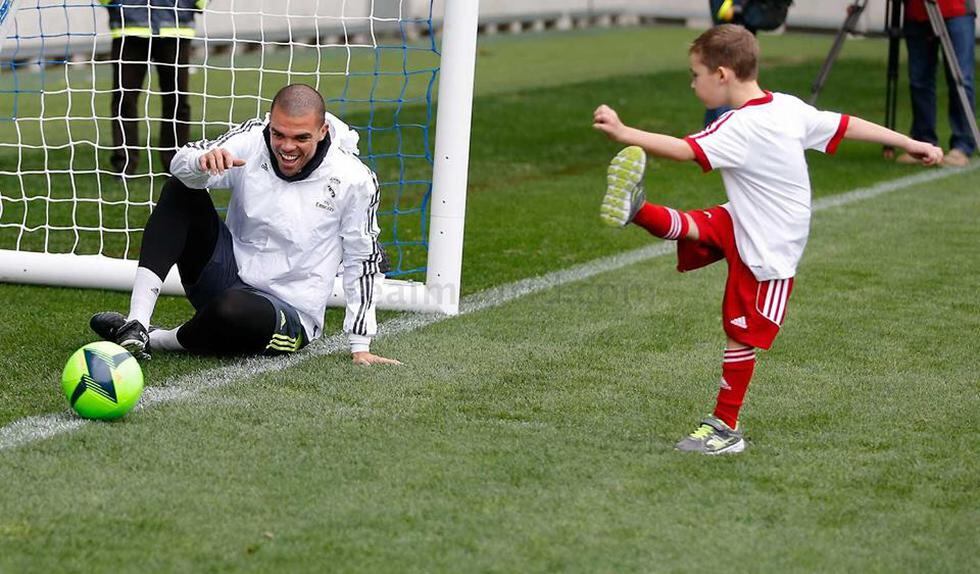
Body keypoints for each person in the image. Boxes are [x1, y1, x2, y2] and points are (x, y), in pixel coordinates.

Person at [592, 24, 941, 454]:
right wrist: (909, 141)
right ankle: (637, 209)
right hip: (744, 219)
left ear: (722, 75)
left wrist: (624, 133)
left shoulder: (738, 127)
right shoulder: (787, 107)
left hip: (769, 247)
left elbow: (684, 151)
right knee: (701, 227)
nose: (692, 82)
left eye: (695, 74)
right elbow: (846, 124)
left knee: (741, 332)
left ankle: (725, 428)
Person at [90, 83, 401, 367]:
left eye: (301, 137)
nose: (287, 147)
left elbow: (362, 258)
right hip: (227, 275)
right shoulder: (254, 138)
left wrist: (361, 344)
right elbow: (181, 162)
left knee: (232, 309)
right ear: (269, 122)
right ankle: (137, 324)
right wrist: (201, 164)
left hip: (287, 312)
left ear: (322, 131)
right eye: (279, 134)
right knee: (183, 186)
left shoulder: (354, 179)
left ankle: (160, 339)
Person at [102, 0, 203, 176]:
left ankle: (176, 163)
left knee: (177, 101)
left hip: (176, 24)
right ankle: (124, 165)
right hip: (129, 25)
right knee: (124, 100)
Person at [898, 0, 976, 167]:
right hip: (917, 12)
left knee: (960, 80)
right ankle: (923, 142)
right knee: (919, 80)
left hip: (956, 10)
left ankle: (962, 145)